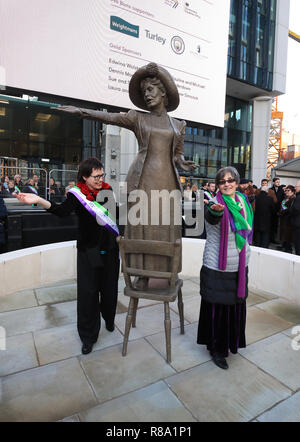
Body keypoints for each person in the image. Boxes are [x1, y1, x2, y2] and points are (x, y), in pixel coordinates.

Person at [55, 62, 197, 289]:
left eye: (150, 90)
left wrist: (183, 163)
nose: (147, 95)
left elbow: (176, 155)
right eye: (144, 92)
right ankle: (140, 272)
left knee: (163, 228)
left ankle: (166, 270)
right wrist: (81, 111)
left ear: (163, 92)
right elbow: (108, 117)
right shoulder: (137, 118)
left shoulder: (179, 125)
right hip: (142, 181)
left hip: (168, 182)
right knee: (141, 228)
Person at [14, 157, 120, 355]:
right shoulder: (76, 195)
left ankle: (109, 319)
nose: (100, 179)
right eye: (96, 176)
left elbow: (114, 217)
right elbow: (61, 211)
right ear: (85, 177)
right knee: (88, 294)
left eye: (102, 175)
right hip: (89, 251)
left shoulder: (107, 191)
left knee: (109, 289)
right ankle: (88, 336)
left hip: (110, 250)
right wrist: (38, 200)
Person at [197, 166, 253, 370]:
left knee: (234, 308)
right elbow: (212, 217)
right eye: (222, 181)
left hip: (238, 264)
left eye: (230, 180)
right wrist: (214, 211)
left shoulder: (243, 201)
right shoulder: (215, 203)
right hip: (217, 266)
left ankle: (230, 343)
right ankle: (217, 349)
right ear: (218, 185)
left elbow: (247, 230)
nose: (227, 184)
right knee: (218, 310)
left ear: (237, 183)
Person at [279, 185, 295, 253]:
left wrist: (282, 211)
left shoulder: (294, 199)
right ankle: (284, 246)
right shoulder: (284, 199)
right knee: (284, 236)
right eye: (286, 190)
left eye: (288, 191)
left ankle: (288, 249)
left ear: (292, 192)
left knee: (289, 238)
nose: (286, 192)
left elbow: (287, 210)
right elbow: (282, 208)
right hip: (284, 221)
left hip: (289, 221)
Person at [270, 177, 285, 243]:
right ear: (273, 182)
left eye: (279, 182)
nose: (278, 183)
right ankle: (270, 238)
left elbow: (283, 200)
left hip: (278, 210)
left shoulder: (281, 190)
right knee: (270, 224)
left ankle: (274, 239)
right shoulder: (270, 190)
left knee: (276, 225)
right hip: (271, 210)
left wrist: (281, 209)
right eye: (277, 182)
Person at [290, 181, 300, 255]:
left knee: (298, 244)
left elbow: (295, 209)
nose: (295, 188)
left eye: (296, 187)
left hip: (297, 224)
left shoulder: (298, 198)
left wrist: (291, 211)